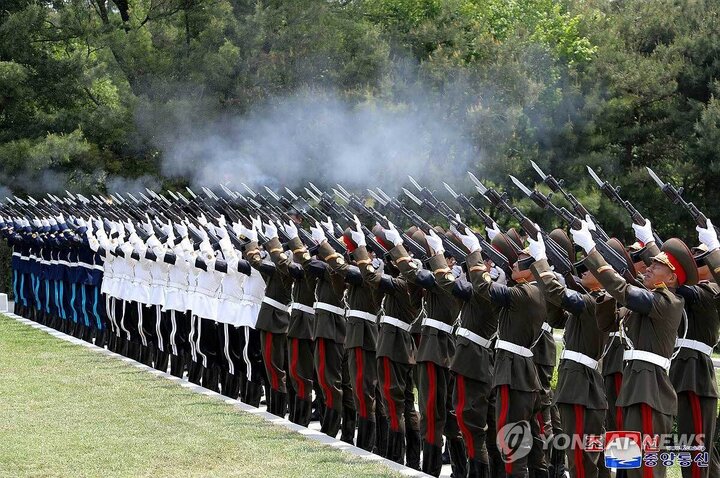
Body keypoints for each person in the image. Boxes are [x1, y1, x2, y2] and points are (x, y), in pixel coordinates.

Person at [572, 218, 697, 478]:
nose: (649, 267)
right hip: (633, 391)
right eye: (650, 263)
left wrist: (592, 252)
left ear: (672, 277)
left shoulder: (669, 302)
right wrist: (608, 295)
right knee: (627, 468)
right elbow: (606, 323)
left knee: (646, 471)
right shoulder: (645, 304)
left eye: (657, 265)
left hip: (650, 394)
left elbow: (627, 292)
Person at [527, 230, 617, 478]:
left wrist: (542, 263)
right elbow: (556, 316)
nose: (583, 271)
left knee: (581, 456)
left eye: (589, 268)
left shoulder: (596, 302)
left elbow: (560, 296)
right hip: (577, 384)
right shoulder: (590, 301)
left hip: (581, 387)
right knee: (586, 455)